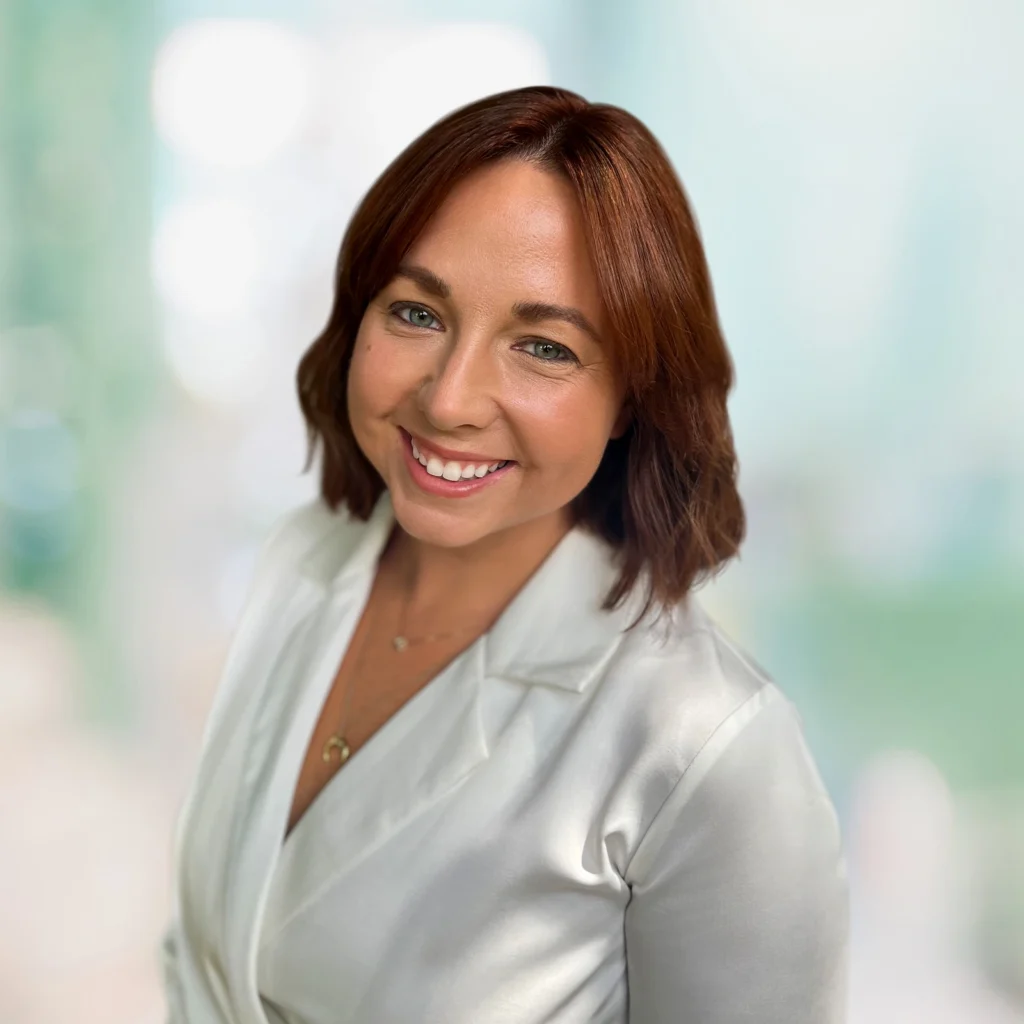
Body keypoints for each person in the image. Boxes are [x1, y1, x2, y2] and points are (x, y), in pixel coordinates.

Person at [160, 85, 849, 1023]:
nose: (449, 400)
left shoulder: (705, 743)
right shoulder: (300, 563)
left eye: (544, 348)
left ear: (633, 397)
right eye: (417, 313)